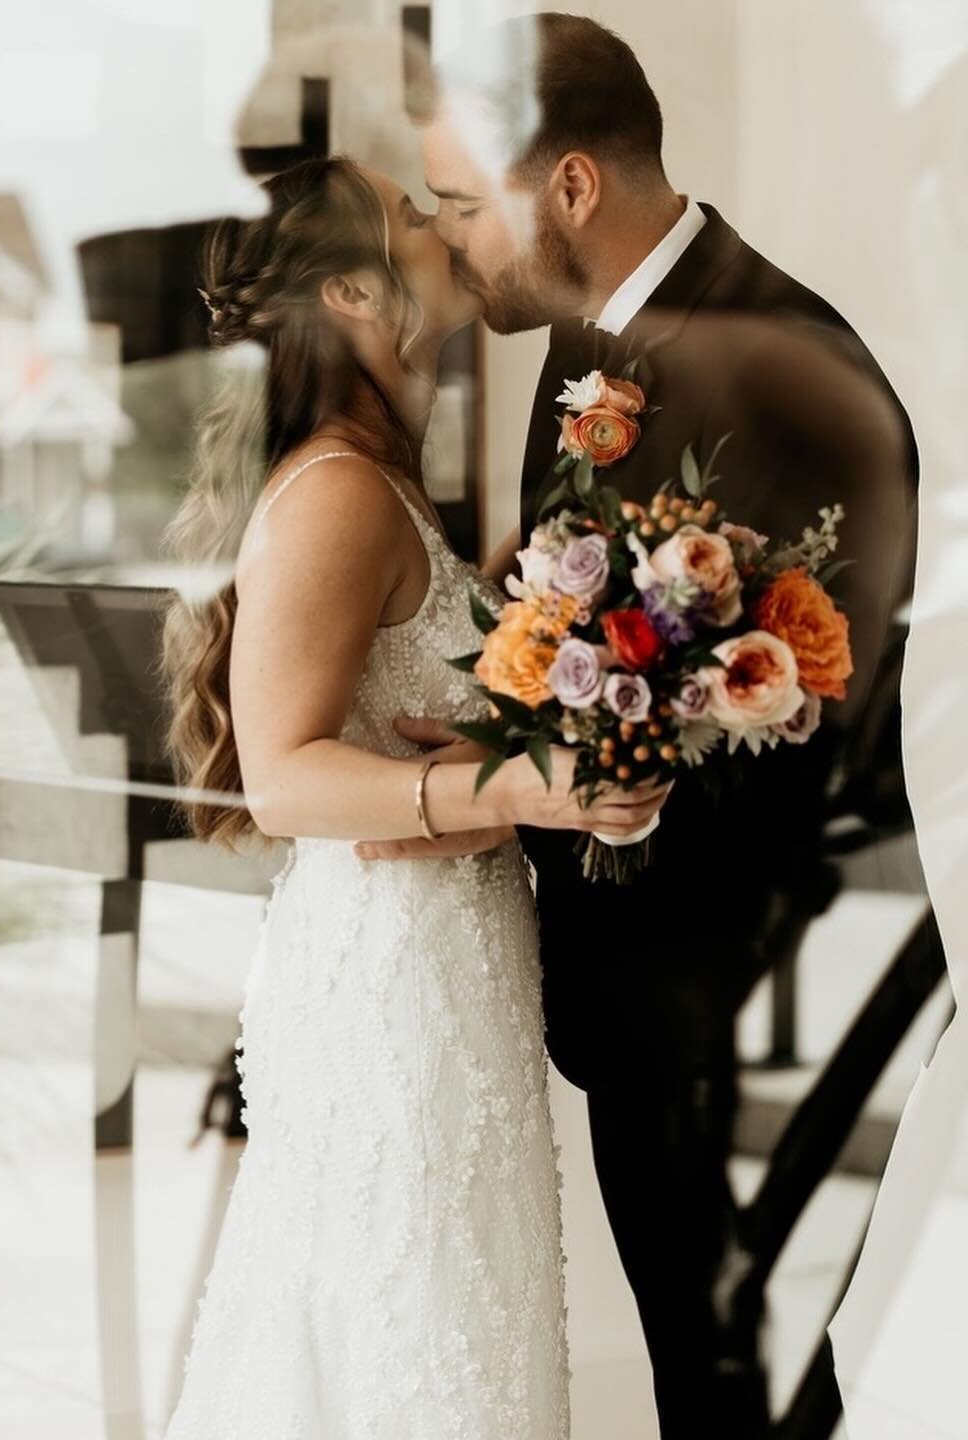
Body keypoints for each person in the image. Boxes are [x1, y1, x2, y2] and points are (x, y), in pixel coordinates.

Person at [362, 14, 921, 1437]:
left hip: (740, 972)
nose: (444, 242)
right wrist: (493, 730)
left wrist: (575, 780)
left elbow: (815, 702)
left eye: (461, 205)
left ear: (568, 189)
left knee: (742, 1353)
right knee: (688, 1341)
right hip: (634, 959)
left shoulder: (794, 361)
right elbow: (572, 600)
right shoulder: (580, 342)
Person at [159, 153, 668, 1438]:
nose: (444, 221)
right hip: (391, 993)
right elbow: (281, 777)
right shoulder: (336, 492)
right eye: (410, 214)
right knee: (417, 1338)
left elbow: (393, 735)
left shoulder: (383, 482)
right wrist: (525, 790)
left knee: (458, 1338)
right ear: (353, 291)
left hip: (446, 964)